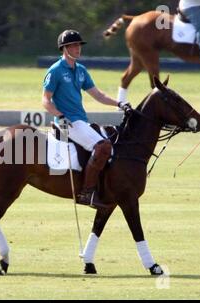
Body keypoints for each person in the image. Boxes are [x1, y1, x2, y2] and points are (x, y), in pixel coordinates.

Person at [42, 29, 132, 209]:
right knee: (103, 146)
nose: (78, 48)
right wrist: (60, 116)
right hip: (67, 122)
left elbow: (98, 95)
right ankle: (86, 193)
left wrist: (120, 103)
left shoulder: (81, 70)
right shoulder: (56, 70)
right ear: (64, 48)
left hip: (80, 120)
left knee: (110, 142)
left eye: (78, 45)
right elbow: (45, 100)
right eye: (73, 46)